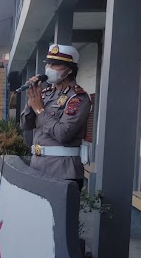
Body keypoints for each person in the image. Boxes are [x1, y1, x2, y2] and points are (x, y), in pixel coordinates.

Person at [20, 44, 92, 191]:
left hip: (62, 170)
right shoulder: (46, 94)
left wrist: (40, 110)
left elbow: (63, 133)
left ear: (69, 70)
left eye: (55, 64)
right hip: (38, 167)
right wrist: (32, 99)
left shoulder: (78, 98)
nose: (49, 68)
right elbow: (25, 125)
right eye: (48, 64)